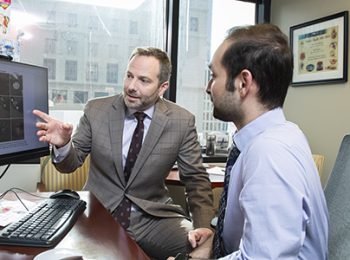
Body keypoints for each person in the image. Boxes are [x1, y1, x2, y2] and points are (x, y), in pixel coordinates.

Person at [33, 47, 215, 259]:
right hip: (98, 213)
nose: (131, 86)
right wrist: (63, 145)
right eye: (129, 76)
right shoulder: (96, 109)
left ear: (162, 87)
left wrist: (205, 230)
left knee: (207, 251)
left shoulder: (182, 121)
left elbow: (196, 180)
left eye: (143, 80)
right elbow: (70, 164)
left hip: (153, 218)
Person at [186, 24, 329, 259]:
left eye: (214, 76)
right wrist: (217, 240)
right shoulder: (282, 134)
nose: (208, 88)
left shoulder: (269, 153)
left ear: (243, 83)